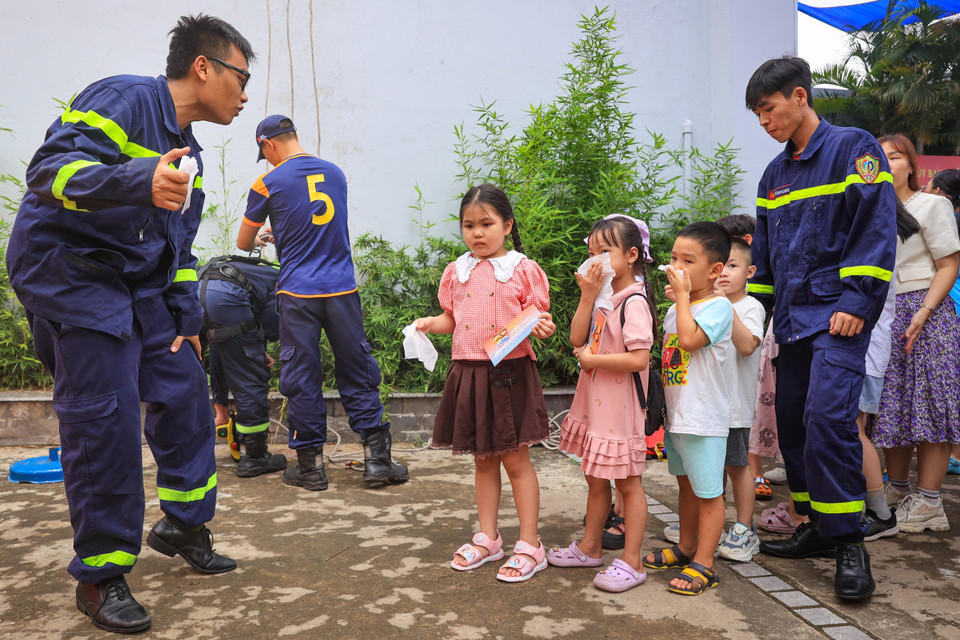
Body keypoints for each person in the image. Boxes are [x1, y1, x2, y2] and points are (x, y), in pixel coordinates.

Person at [5, 15, 252, 633]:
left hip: (134, 285)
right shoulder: (122, 97)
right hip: (71, 275)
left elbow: (177, 250)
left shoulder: (189, 154)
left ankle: (185, 525)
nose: (246, 95)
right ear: (205, 67)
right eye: (242, 77)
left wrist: (188, 317)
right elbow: (49, 172)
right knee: (105, 421)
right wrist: (139, 179)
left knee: (184, 392)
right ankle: (101, 575)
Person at [746, 56, 897, 601]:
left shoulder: (854, 148)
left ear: (800, 97)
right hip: (791, 322)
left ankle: (850, 542)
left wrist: (858, 298)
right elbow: (762, 259)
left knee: (829, 421)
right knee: (792, 425)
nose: (765, 122)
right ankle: (816, 523)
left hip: (839, 315)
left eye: (770, 109)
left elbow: (876, 229)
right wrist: (749, 316)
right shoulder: (773, 175)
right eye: (758, 115)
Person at [237, 115, 409, 490]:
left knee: (301, 375)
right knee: (357, 368)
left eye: (263, 153)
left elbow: (242, 243)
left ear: (267, 144)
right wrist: (281, 229)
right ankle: (377, 462)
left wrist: (267, 236)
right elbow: (319, 221)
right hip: (342, 289)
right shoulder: (336, 173)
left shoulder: (267, 182)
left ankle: (310, 467)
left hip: (299, 293)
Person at [414, 184, 555, 583]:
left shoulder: (523, 269)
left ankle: (531, 544)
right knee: (482, 458)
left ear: (507, 225)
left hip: (509, 373)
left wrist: (543, 328)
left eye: (486, 224)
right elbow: (451, 320)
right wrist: (429, 324)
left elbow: (539, 320)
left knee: (515, 458)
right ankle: (489, 538)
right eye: (468, 225)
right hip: (469, 373)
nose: (477, 233)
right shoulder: (456, 271)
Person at [547, 215, 655, 593]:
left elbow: (639, 359)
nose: (595, 261)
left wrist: (593, 361)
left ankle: (632, 561)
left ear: (630, 254)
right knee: (594, 477)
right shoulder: (605, 296)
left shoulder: (635, 301)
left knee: (628, 483)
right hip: (595, 401)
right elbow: (577, 337)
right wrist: (587, 296)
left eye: (604, 252)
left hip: (620, 405)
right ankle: (590, 547)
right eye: (591, 253)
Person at [871, 135, 960, 533]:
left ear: (911, 165)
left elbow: (948, 265)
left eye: (894, 156)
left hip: (927, 312)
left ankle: (928, 502)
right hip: (885, 314)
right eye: (879, 156)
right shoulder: (869, 208)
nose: (886, 162)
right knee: (893, 405)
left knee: (930, 404)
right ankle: (898, 489)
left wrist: (924, 311)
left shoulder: (932, 204)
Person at [643, 221, 734, 596]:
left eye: (687, 260)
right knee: (685, 485)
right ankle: (687, 545)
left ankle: (706, 564)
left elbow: (690, 339)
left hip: (704, 420)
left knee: (709, 493)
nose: (675, 266)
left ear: (715, 270)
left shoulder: (718, 307)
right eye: (673, 257)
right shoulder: (677, 308)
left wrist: (681, 300)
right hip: (679, 419)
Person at [199, 253, 287, 477]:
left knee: (223, 349)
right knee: (251, 377)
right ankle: (255, 457)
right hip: (227, 296)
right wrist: (257, 353)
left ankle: (219, 416)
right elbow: (268, 324)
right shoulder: (284, 284)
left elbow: (228, 351)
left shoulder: (261, 272)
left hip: (196, 290)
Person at [714, 236, 766, 561]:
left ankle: (745, 529)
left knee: (737, 466)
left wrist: (723, 307)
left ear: (750, 271)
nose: (724, 273)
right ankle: (711, 522)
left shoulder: (751, 307)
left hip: (733, 408)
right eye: (719, 266)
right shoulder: (705, 303)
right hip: (707, 406)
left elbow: (748, 345)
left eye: (732, 266)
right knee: (709, 470)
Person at [924, 168, 960, 475]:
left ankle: (954, 455)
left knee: (944, 392)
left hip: (946, 307)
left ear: (940, 195)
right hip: (949, 306)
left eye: (927, 186)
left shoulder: (941, 220)